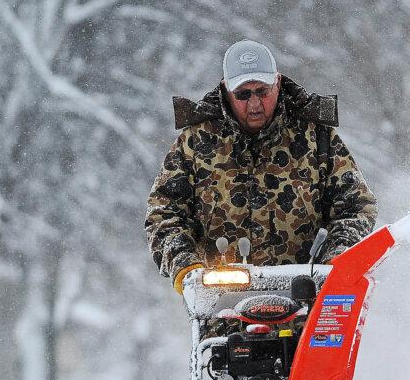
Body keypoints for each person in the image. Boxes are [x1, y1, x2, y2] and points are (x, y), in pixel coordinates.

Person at [144, 40, 377, 294]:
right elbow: (163, 214)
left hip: (309, 300)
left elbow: (356, 206)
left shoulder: (316, 137)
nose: (254, 104)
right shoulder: (195, 143)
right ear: (226, 90)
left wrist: (337, 255)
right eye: (243, 94)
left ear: (277, 83)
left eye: (262, 91)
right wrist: (185, 266)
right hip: (223, 307)